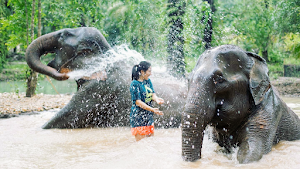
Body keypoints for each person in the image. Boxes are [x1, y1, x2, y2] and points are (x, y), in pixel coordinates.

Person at [130, 61, 164, 141]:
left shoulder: (148, 81)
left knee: (150, 143)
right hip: (138, 118)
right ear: (142, 72)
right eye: (149, 71)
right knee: (141, 146)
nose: (151, 73)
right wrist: (152, 109)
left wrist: (157, 99)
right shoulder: (134, 84)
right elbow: (137, 102)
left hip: (148, 117)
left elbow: (152, 94)